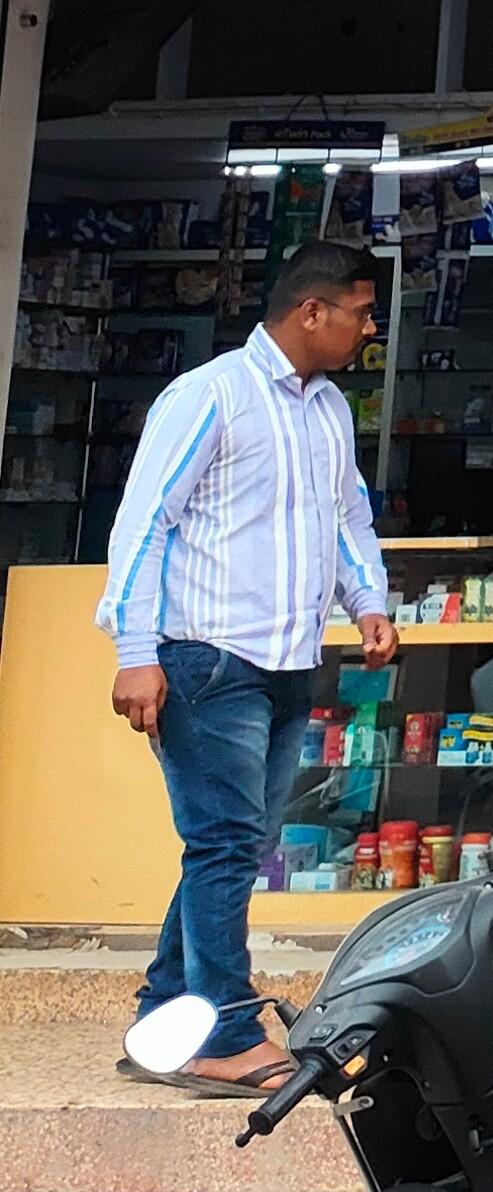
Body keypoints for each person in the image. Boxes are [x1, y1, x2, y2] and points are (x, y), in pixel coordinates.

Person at [99, 242, 397, 1093]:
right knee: (226, 843)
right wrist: (135, 652)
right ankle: (225, 1028)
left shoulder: (330, 409)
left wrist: (367, 601)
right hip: (205, 655)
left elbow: (348, 518)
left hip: (287, 657)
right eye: (361, 311)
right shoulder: (210, 395)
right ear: (311, 311)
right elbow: (144, 524)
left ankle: (167, 1014)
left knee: (230, 845)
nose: (369, 328)